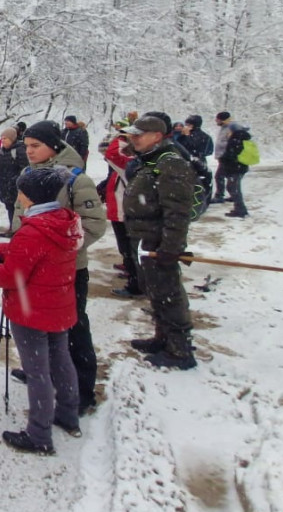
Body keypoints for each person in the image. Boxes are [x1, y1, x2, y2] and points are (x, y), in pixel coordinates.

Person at [0, 163, 82, 454]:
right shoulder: (64, 221)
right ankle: (68, 414)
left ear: (30, 196)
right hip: (58, 305)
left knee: (37, 371)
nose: (19, 197)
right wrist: (5, 250)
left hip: (31, 310)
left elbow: (12, 276)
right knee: (61, 360)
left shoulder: (33, 231)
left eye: (22, 192)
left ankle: (39, 435)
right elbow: (41, 257)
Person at [22, 122, 105, 411]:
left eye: (36, 146)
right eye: (27, 146)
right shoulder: (29, 174)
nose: (29, 151)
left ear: (54, 146)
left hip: (68, 269)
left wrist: (59, 251)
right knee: (37, 323)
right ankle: (42, 371)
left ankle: (81, 390)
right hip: (34, 268)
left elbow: (94, 225)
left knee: (73, 327)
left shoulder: (75, 179)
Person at [123, 115, 197, 368]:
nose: (133, 139)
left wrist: (171, 247)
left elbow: (177, 211)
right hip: (144, 237)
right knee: (155, 291)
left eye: (138, 135)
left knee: (168, 293)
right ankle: (162, 337)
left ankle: (180, 349)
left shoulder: (170, 163)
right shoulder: (151, 160)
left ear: (156, 136)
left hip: (158, 240)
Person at [99, 123, 139, 292]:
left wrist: (122, 135)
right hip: (120, 210)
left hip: (126, 211)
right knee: (126, 247)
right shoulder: (124, 166)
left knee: (129, 246)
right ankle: (131, 269)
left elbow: (113, 154)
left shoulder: (131, 164)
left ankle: (135, 281)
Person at [177, 114, 215, 211]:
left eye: (188, 124)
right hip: (201, 162)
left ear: (192, 125)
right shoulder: (207, 136)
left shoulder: (189, 136)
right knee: (204, 183)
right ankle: (204, 202)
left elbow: (183, 147)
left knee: (193, 183)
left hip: (191, 162)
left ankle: (195, 203)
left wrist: (185, 136)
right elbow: (209, 151)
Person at [219, 122, 254, 218]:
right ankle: (239, 208)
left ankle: (240, 210)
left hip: (235, 168)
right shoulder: (243, 138)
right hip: (241, 167)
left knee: (233, 188)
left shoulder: (235, 139)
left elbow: (231, 154)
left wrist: (223, 159)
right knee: (234, 188)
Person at [0, 127, 23, 232]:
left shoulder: (19, 150)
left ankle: (17, 229)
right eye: (1, 138)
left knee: (17, 208)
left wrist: (15, 180)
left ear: (12, 139)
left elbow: (24, 168)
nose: (3, 141)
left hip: (14, 185)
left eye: (5, 138)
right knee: (9, 207)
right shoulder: (1, 151)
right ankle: (13, 227)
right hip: (4, 185)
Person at [213, 111, 234, 204]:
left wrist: (226, 154)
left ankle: (219, 196)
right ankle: (233, 195)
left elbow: (231, 143)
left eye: (217, 119)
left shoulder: (229, 129)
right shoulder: (224, 128)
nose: (216, 121)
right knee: (229, 177)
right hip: (223, 157)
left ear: (222, 120)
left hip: (227, 158)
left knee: (219, 176)